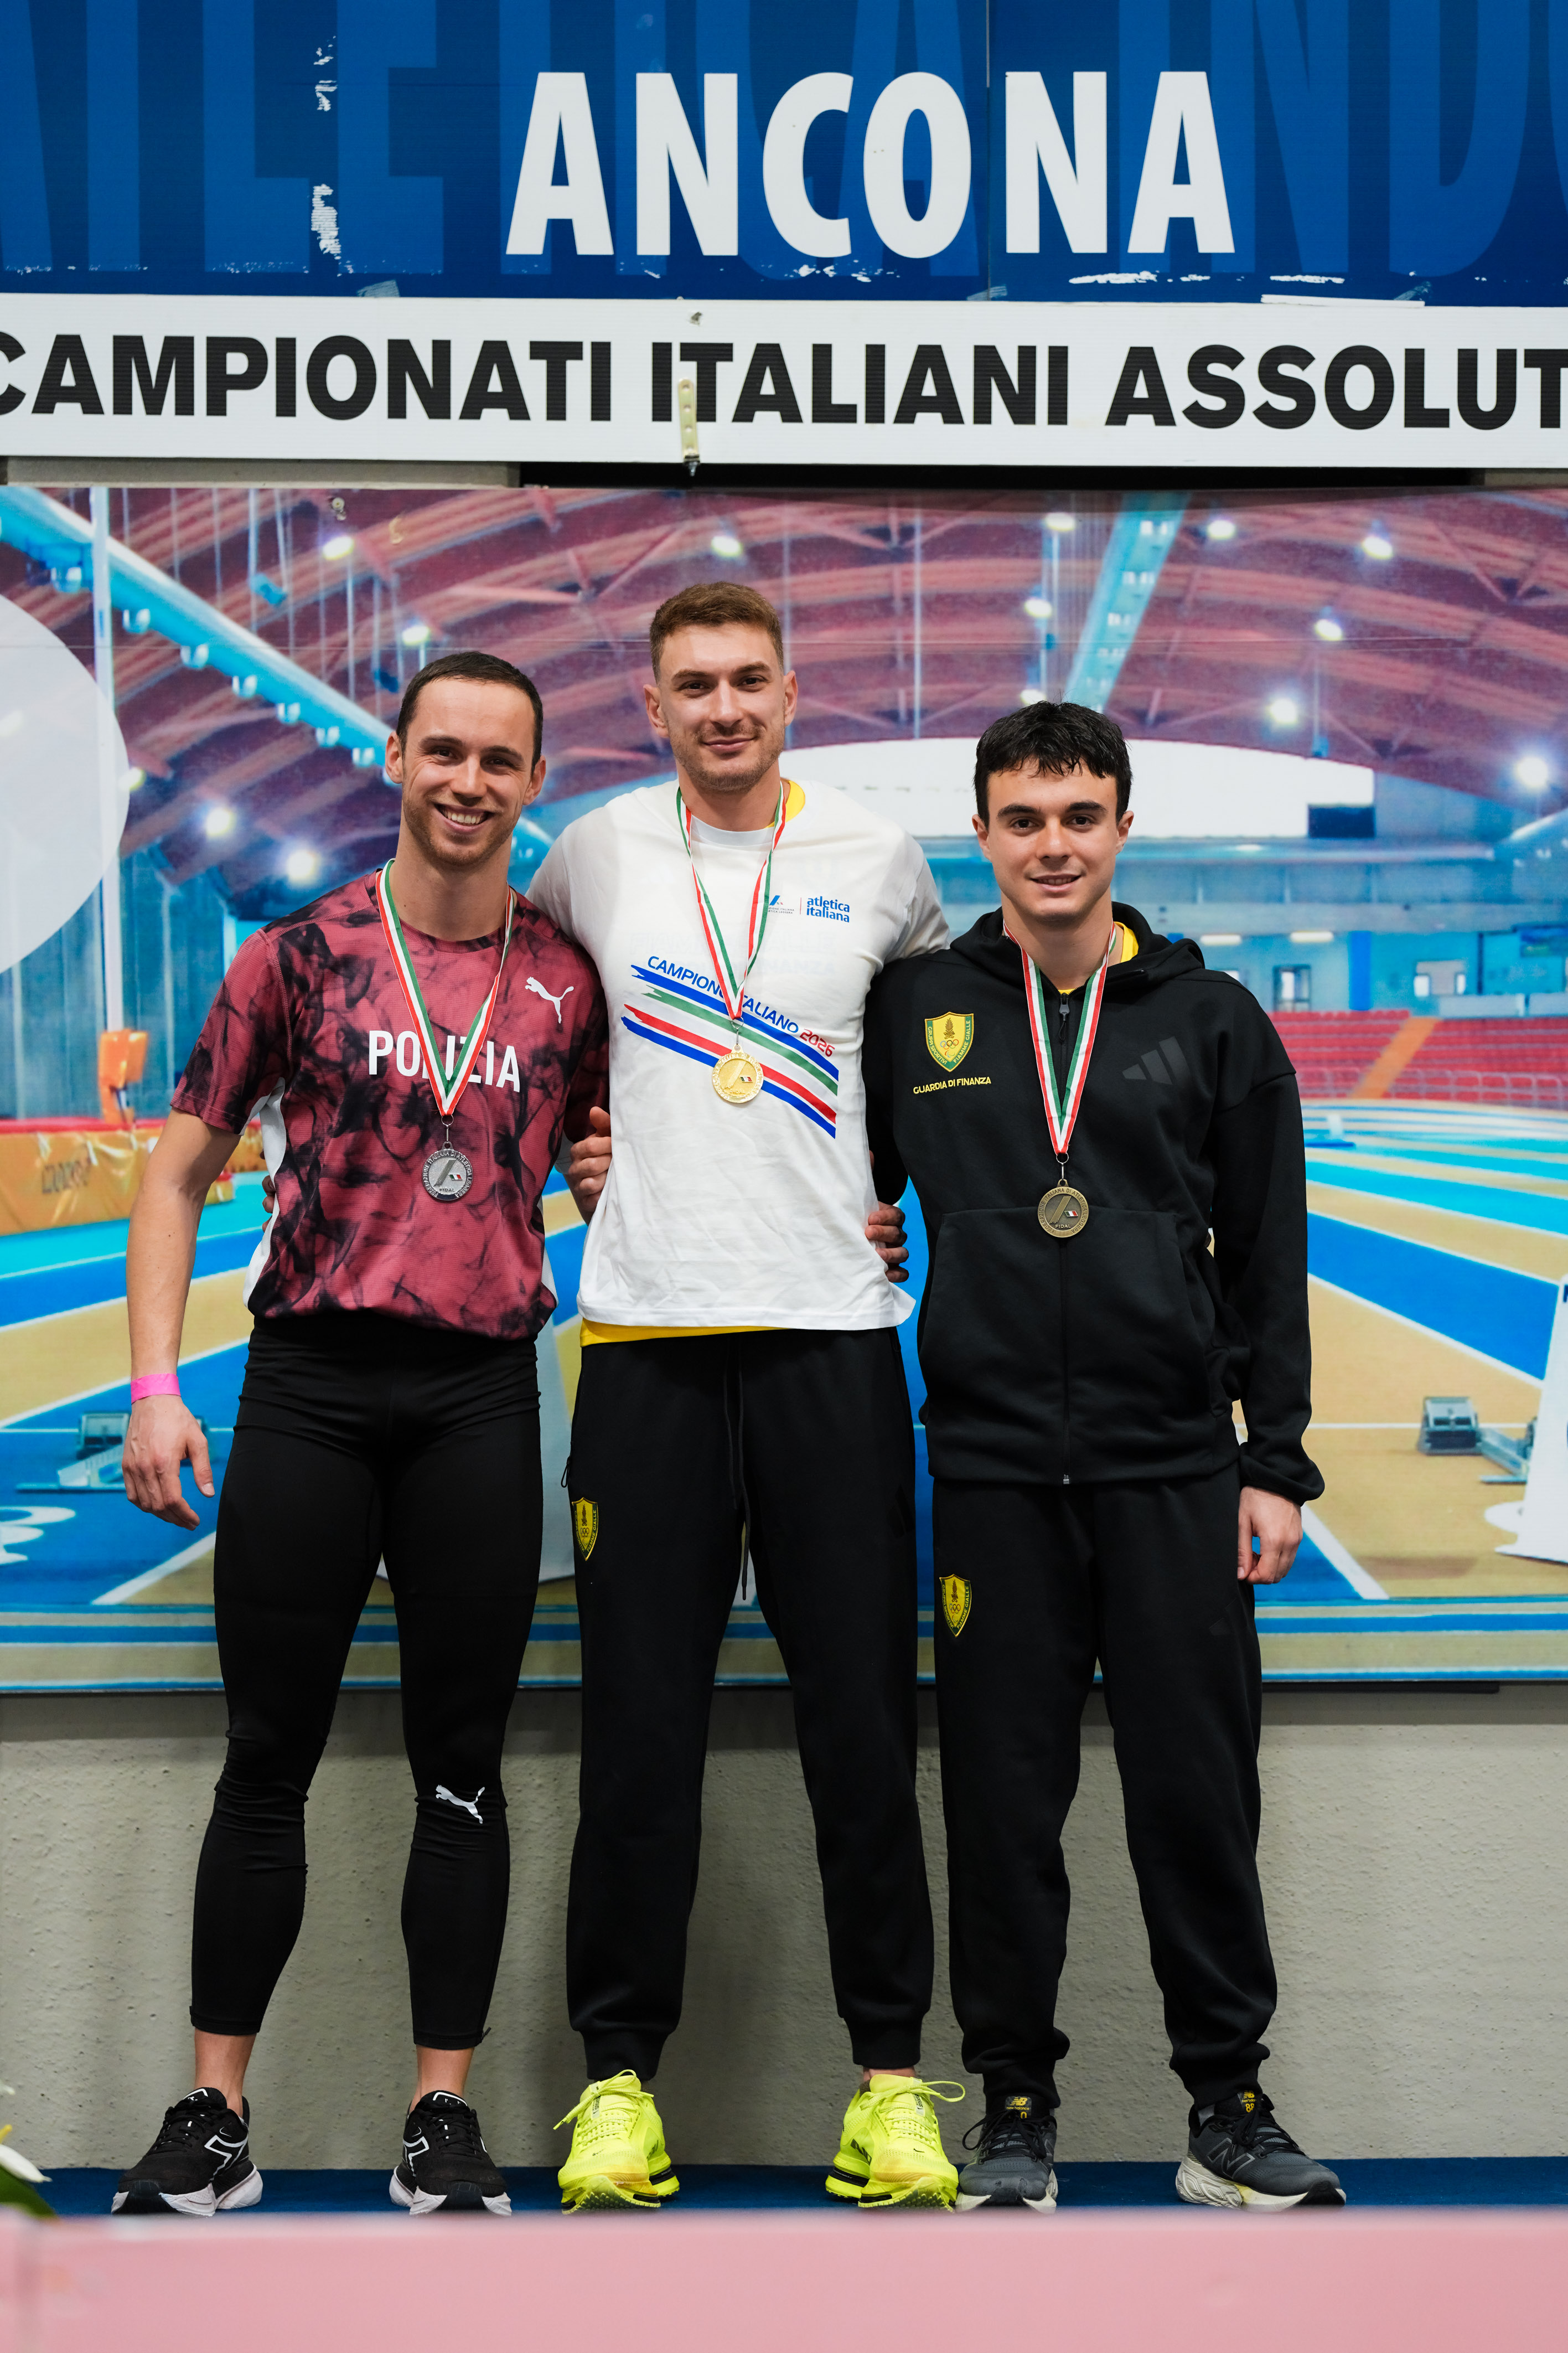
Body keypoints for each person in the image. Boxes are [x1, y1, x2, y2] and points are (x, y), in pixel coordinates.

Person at [112, 651, 607, 2219]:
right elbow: (174, 1176)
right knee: (267, 1758)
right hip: (311, 1389)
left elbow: (622, 1165)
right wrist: (153, 1387)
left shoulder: (568, 979)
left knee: (462, 1767)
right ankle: (214, 2113)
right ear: (395, 759)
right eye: (443, 750)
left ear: (533, 782)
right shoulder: (296, 956)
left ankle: (438, 2116)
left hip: (478, 1397)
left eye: (500, 760)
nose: (469, 781)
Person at [862, 699, 1344, 2214]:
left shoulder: (1213, 1018)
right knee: (1002, 1806)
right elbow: (836, 1173)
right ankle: (1013, 2099)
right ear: (981, 833)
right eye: (1023, 819)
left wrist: (1274, 1461)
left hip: (1173, 1471)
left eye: (1080, 817)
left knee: (1197, 1798)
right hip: (992, 1470)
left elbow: (1268, 1254)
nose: (1053, 845)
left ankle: (1228, 2102)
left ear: (1124, 827)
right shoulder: (916, 1008)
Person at [528, 581, 963, 2212]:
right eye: (694, 684)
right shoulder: (591, 853)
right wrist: (578, 1144)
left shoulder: (880, 858)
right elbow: (538, 1015)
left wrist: (902, 1188)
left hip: (829, 1338)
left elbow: (938, 1054)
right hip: (645, 1338)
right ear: (653, 706)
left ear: (793, 693)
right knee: (638, 1738)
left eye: (748, 679)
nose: (724, 707)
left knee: (863, 1732)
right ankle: (617, 2087)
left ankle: (890, 2089)